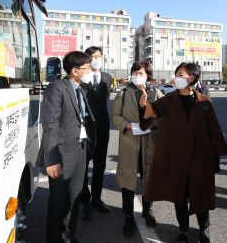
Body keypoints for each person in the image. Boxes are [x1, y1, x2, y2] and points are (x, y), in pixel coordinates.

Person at [139, 62, 227, 243]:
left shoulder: (204, 101)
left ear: (192, 77)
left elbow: (214, 130)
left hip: (200, 158)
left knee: (201, 195)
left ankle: (204, 229)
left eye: (181, 74)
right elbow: (151, 112)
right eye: (176, 74)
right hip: (176, 157)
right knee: (178, 195)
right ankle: (184, 230)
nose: (176, 77)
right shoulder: (168, 99)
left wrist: (216, 157)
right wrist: (144, 105)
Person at [36, 51, 95, 243]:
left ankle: (68, 236)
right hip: (61, 153)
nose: (91, 71)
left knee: (74, 198)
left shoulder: (82, 89)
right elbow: (50, 124)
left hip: (80, 150)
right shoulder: (57, 88)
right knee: (58, 202)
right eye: (87, 68)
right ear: (75, 71)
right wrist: (51, 159)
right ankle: (54, 239)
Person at [110, 61, 164, 237]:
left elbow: (164, 116)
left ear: (148, 75)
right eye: (135, 72)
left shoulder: (156, 93)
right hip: (130, 144)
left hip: (150, 144)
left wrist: (153, 124)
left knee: (149, 180)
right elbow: (115, 116)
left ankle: (147, 210)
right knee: (128, 181)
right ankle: (128, 215)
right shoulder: (124, 93)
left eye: (141, 73)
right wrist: (127, 126)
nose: (138, 75)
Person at [79, 46, 112, 220]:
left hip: (103, 127)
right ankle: (84, 200)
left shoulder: (107, 77)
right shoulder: (81, 77)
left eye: (99, 56)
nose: (96, 59)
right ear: (87, 59)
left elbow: (105, 101)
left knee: (100, 165)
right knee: (83, 165)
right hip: (85, 128)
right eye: (93, 56)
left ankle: (96, 198)